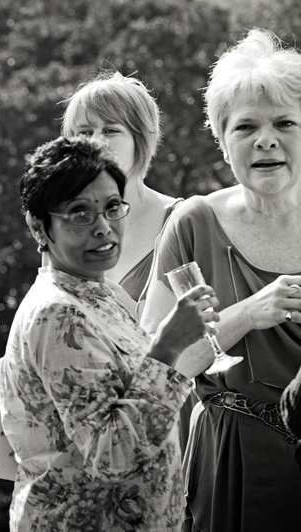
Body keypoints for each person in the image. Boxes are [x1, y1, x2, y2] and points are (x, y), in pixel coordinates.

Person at [0, 135, 219, 531]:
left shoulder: (97, 291)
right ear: (38, 227)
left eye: (112, 207)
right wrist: (168, 347)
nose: (103, 227)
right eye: (79, 213)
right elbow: (112, 454)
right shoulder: (57, 314)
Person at [139, 29, 301, 531]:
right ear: (222, 138)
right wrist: (249, 313)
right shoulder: (192, 222)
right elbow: (158, 363)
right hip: (231, 459)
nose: (266, 139)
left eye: (285, 123)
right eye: (245, 126)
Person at [62, 71, 180, 311]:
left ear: (142, 139)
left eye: (110, 130)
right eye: (84, 132)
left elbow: (200, 333)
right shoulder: (64, 226)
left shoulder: (181, 220)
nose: (95, 142)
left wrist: (123, 307)